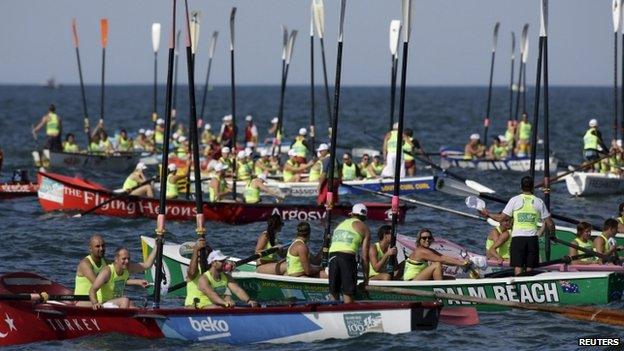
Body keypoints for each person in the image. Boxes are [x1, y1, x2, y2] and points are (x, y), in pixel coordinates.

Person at [479, 176, 556, 275]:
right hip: (532, 239)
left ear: (521, 187)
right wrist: (553, 235)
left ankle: (518, 285)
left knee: (518, 267)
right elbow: (550, 223)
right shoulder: (539, 202)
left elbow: (501, 218)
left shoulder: (514, 200)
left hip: (518, 239)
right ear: (533, 187)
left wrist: (488, 214)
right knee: (530, 267)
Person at [74, 235, 148, 307]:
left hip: (99, 297)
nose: (101, 248)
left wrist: (137, 282)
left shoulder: (105, 262)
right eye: (97, 246)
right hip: (83, 299)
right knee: (124, 300)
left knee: (131, 304)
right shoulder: (85, 264)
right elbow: (100, 283)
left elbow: (115, 278)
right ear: (90, 249)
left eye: (103, 246)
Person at [88, 246, 157, 309]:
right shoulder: (107, 271)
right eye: (124, 259)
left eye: (128, 259)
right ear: (116, 259)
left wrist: (157, 246)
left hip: (115, 303)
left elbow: (147, 265)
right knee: (125, 300)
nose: (127, 261)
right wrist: (95, 303)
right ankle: (119, 321)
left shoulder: (127, 268)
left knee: (134, 306)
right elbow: (92, 290)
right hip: (103, 305)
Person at [328, 203, 371, 303]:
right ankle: (348, 314)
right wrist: (366, 280)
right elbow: (365, 256)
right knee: (348, 294)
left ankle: (332, 313)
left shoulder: (340, 224)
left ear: (351, 214)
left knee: (334, 293)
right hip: (346, 257)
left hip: (332, 256)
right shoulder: (365, 228)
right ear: (365, 217)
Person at [403, 229, 472, 281]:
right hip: (411, 281)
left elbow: (444, 257)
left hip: (419, 278)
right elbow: (442, 260)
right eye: (424, 238)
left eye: (429, 238)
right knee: (437, 265)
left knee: (451, 278)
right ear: (419, 240)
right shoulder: (421, 251)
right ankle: (440, 292)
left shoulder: (428, 250)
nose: (427, 240)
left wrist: (462, 261)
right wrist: (462, 263)